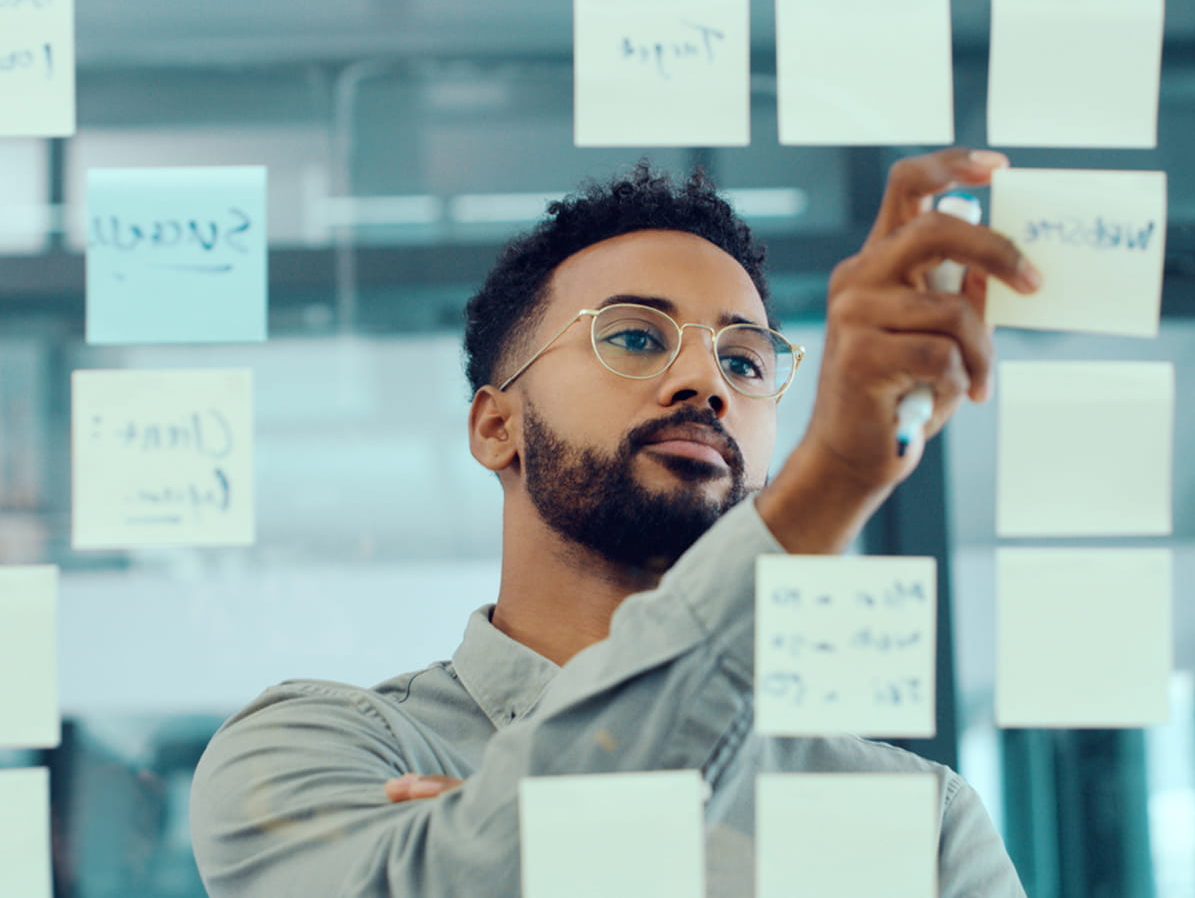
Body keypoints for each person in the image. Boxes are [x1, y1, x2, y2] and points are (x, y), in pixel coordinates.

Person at [189, 147, 1039, 896]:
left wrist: (536, 853)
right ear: (496, 425)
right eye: (634, 338)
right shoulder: (314, 748)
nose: (704, 381)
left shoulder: (918, 822)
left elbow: (470, 877)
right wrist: (835, 479)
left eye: (744, 359)